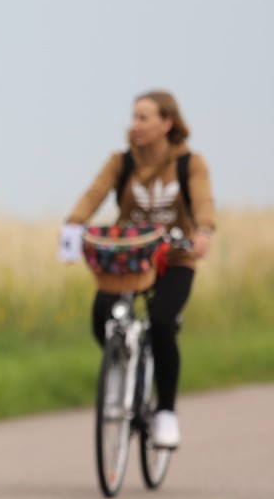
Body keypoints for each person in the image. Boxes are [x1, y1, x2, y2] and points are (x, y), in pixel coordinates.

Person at [65, 90, 215, 449]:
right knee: (102, 313)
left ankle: (165, 413)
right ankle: (120, 366)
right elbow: (95, 192)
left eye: (144, 118)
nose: (135, 125)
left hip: (175, 257)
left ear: (167, 123)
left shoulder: (189, 163)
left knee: (162, 322)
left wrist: (204, 230)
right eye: (134, 117)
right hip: (130, 257)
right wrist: (74, 223)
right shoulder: (122, 162)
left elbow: (203, 199)